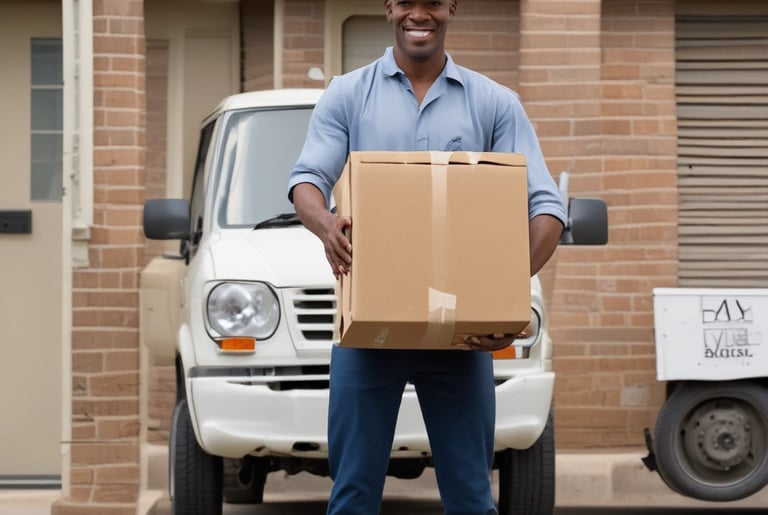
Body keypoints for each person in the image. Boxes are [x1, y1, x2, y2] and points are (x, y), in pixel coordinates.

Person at [288, 1, 567, 513]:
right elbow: (307, 179)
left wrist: (501, 289)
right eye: (408, 2)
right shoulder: (347, 95)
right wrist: (326, 224)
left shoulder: (494, 103)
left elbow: (546, 207)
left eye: (433, 3)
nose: (421, 14)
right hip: (368, 332)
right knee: (351, 497)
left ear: (452, 8)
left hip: (459, 338)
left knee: (471, 498)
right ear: (389, 8)